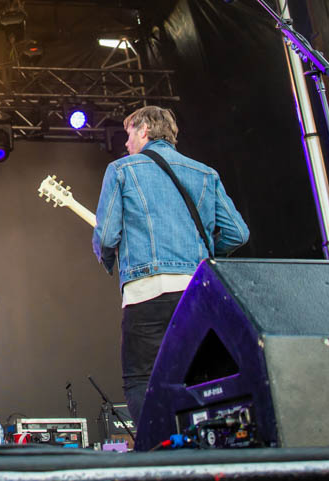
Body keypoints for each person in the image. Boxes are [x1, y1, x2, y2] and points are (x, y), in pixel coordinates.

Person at [92, 105, 249, 428]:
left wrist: (108, 260)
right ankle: (208, 441)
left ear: (144, 130)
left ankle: (158, 444)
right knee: (203, 377)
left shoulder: (121, 170)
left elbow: (107, 235)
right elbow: (238, 233)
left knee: (141, 378)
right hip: (197, 294)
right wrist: (202, 259)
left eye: (129, 134)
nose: (126, 143)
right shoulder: (205, 173)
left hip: (146, 292)